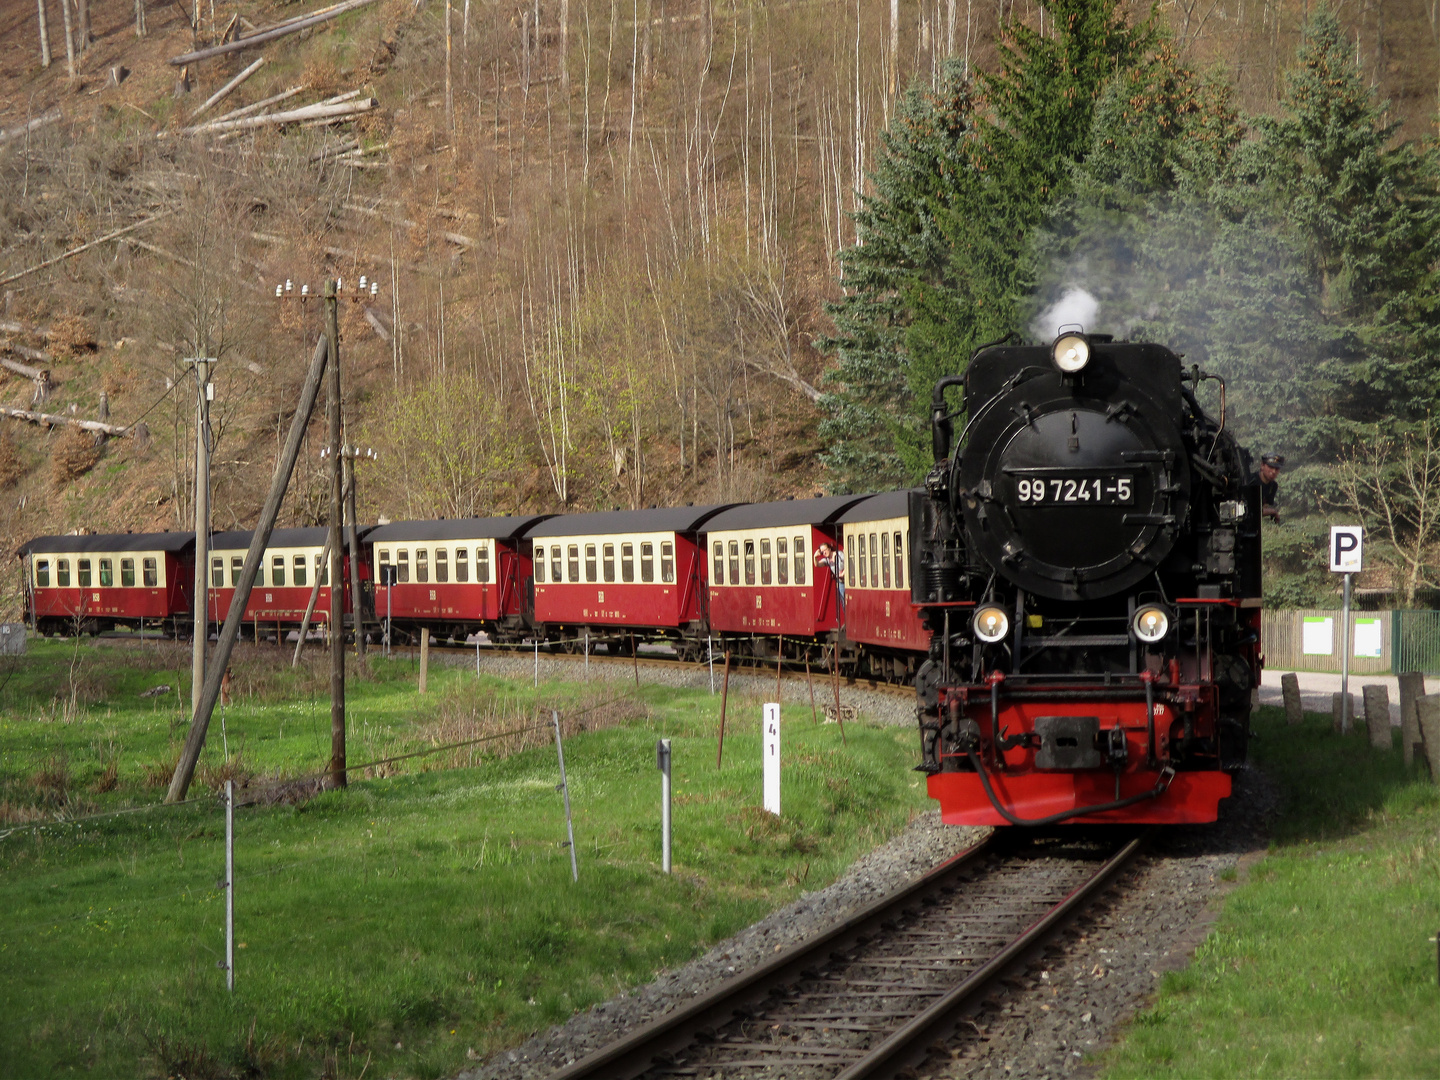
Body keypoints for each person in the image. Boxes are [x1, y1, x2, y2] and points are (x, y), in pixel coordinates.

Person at [815, 542, 847, 616]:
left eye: (825, 550)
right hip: (841, 582)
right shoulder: (827, 560)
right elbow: (817, 564)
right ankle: (847, 618)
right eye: (822, 552)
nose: (824, 552)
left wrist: (843, 573)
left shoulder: (839, 554)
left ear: (829, 548)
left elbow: (849, 562)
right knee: (843, 601)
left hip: (849, 580)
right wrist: (815, 557)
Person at [1259, 453, 1284, 523]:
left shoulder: (1273, 486)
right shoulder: (1250, 482)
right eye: (1270, 467)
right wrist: (1272, 511)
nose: (1273, 472)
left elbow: (1266, 506)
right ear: (1262, 466)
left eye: (1277, 469)